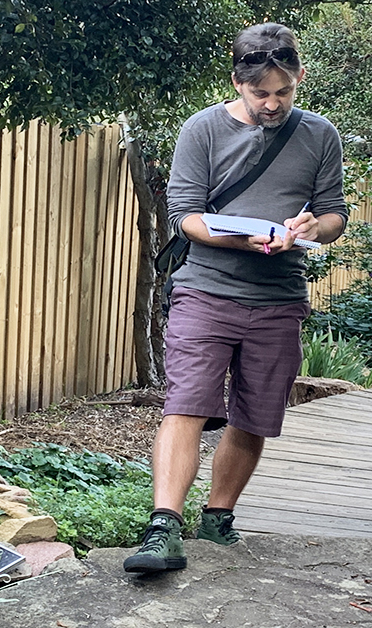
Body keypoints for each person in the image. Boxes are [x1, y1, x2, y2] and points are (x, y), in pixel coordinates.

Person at [123, 22, 348, 574]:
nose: (273, 103)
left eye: (284, 92)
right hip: (207, 289)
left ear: (298, 78)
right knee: (188, 404)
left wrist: (308, 229)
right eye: (260, 93)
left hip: (279, 296)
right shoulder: (201, 130)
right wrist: (239, 236)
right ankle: (162, 527)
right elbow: (188, 217)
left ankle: (217, 518)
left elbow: (335, 215)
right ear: (238, 83)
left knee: (253, 415)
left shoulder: (320, 135)